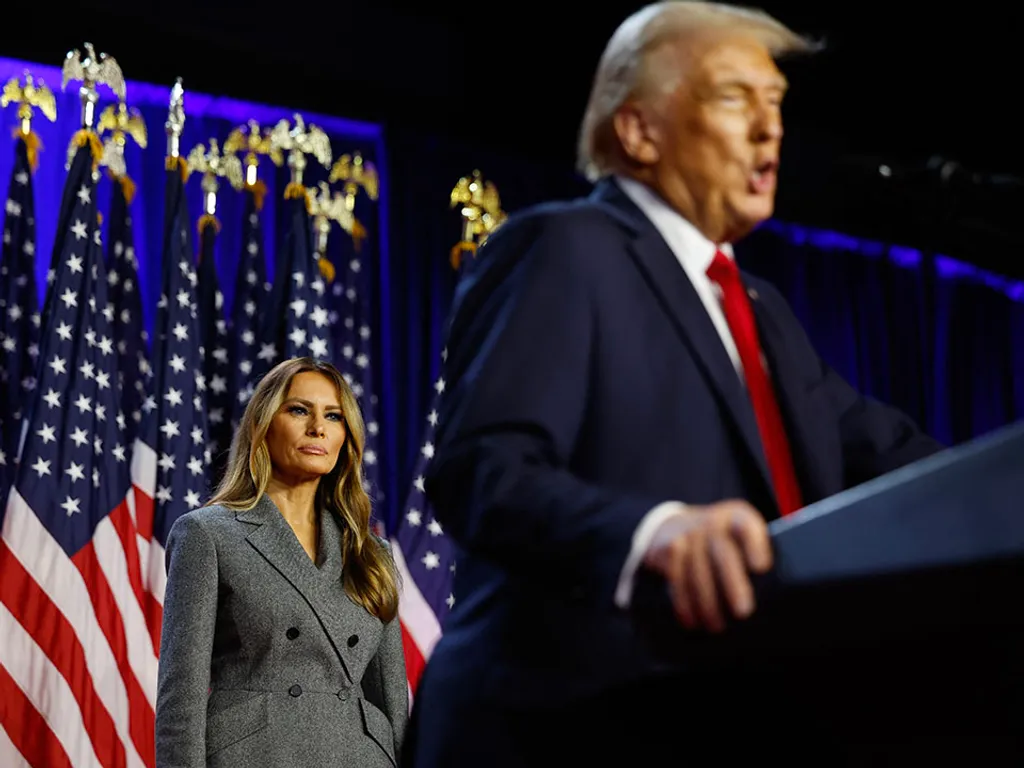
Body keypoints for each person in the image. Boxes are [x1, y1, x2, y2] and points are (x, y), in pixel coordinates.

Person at [402, 2, 945, 766]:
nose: (770, 128)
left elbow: (883, 451)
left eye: (776, 104)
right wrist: (652, 532)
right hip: (558, 726)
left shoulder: (760, 311)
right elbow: (481, 470)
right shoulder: (564, 247)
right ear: (639, 131)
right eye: (733, 97)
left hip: (724, 719)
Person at [155, 357, 406, 768]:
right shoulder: (207, 534)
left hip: (360, 757)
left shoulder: (371, 552)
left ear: (347, 436)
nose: (318, 428)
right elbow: (180, 695)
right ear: (262, 424)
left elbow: (393, 700)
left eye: (334, 416)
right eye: (299, 410)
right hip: (255, 755)